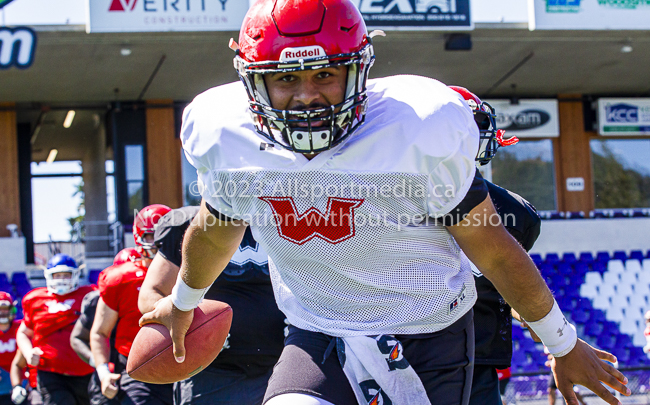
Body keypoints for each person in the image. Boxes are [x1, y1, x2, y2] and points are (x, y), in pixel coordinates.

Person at [141, 1, 629, 404]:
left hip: (428, 334)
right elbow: (216, 226)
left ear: (359, 71)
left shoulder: (418, 125)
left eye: (325, 74)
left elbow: (494, 247)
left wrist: (562, 344)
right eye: (285, 80)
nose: (306, 96)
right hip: (318, 332)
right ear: (252, 82)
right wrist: (183, 302)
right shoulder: (227, 133)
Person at [447, 86, 541, 405]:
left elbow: (503, 282)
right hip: (469, 354)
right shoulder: (516, 213)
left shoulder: (516, 215)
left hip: (458, 356)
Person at [138, 206, 286, 405]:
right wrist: (192, 322)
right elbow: (150, 294)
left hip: (284, 365)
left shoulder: (290, 219)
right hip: (212, 370)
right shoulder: (189, 224)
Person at [90, 204, 173, 405]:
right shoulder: (120, 278)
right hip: (138, 369)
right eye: (152, 235)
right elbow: (100, 332)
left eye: (166, 234)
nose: (159, 241)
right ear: (139, 237)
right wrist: (103, 372)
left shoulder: (190, 272)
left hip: (188, 365)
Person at [16, 254, 95, 405]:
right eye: (57, 275)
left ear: (75, 275)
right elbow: (23, 332)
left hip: (86, 369)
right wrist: (28, 352)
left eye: (66, 275)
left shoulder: (89, 296)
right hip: (50, 371)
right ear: (48, 275)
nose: (62, 279)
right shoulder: (34, 299)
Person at [70, 249, 139, 405]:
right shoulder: (97, 300)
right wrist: (99, 365)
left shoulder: (150, 293)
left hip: (135, 372)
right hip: (109, 374)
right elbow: (77, 338)